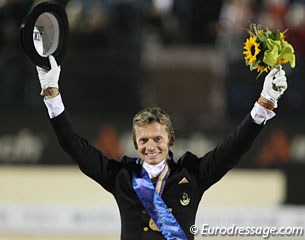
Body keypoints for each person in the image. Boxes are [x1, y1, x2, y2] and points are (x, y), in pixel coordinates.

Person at [37, 55, 287, 240]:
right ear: (135, 144)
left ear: (171, 139)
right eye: (144, 140)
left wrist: (265, 105)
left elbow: (233, 148)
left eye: (157, 139)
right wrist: (52, 94)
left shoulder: (193, 174)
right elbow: (74, 146)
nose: (151, 146)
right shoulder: (121, 176)